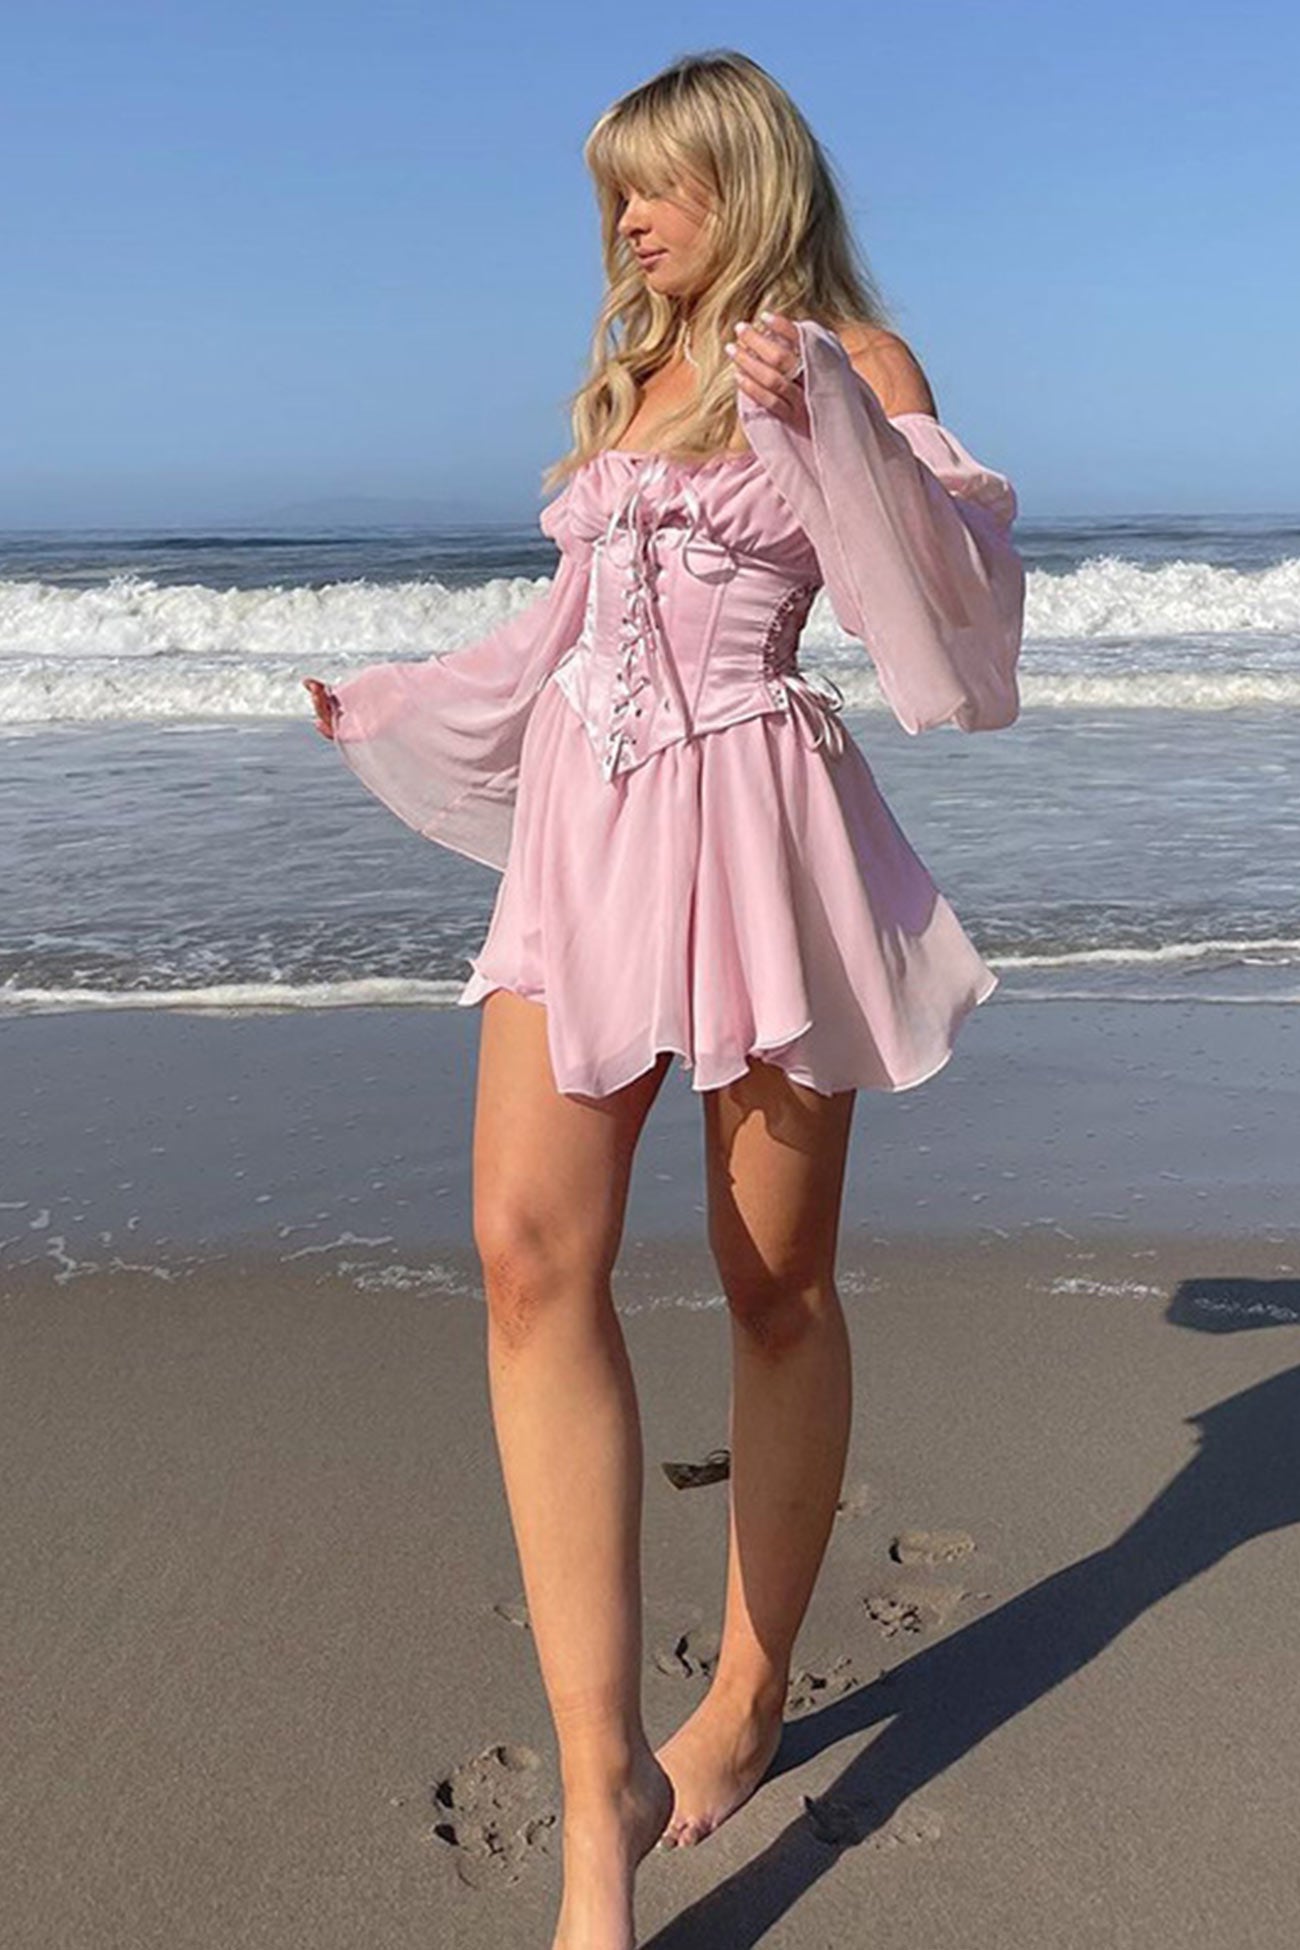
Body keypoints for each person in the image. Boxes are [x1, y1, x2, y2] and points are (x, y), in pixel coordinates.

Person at [305, 48, 1024, 1950]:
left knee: (772, 1285)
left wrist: (835, 426)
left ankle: (753, 1688)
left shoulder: (860, 361)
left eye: (661, 183)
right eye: (615, 190)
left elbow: (951, 628)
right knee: (524, 1256)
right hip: (586, 834)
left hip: (762, 834)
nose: (629, 219)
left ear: (750, 178)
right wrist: (404, 702)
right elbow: (569, 637)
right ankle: (597, 1814)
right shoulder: (629, 382)